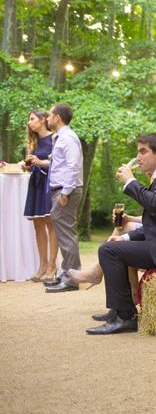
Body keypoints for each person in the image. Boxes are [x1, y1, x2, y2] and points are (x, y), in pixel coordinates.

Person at [86, 133, 156, 334]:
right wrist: (124, 237)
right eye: (138, 152)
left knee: (108, 251)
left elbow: (153, 203)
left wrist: (130, 181)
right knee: (112, 247)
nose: (138, 157)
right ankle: (120, 312)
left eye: (143, 151)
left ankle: (124, 317)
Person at [43, 104, 84, 293]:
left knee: (67, 235)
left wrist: (66, 192)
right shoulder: (61, 138)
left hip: (66, 191)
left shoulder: (67, 137)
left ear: (57, 117)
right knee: (64, 233)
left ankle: (71, 278)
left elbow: (73, 166)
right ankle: (66, 272)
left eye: (49, 115)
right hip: (61, 190)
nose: (47, 119)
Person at [21, 109, 59, 282]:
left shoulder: (54, 138)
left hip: (49, 183)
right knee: (38, 224)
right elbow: (31, 163)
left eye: (32, 119)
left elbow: (58, 162)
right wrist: (27, 165)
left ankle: (52, 265)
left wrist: (40, 162)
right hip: (35, 183)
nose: (29, 122)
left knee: (51, 223)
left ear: (43, 119)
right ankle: (42, 265)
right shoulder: (32, 142)